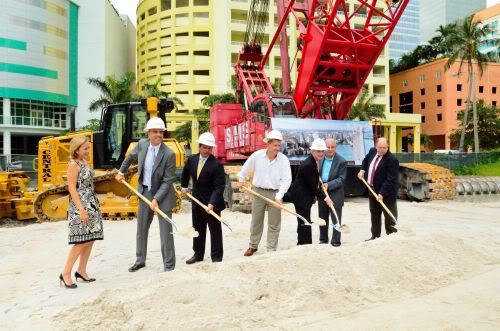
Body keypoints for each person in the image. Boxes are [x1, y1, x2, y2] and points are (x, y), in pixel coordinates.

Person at [115, 117, 177, 272]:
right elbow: (130, 157)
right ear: (148, 133)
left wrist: (156, 199)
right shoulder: (142, 145)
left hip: (163, 195)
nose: (158, 134)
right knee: (141, 229)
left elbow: (168, 181)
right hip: (145, 191)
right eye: (155, 131)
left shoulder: (169, 154)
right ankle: (140, 260)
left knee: (166, 233)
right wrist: (121, 172)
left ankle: (169, 266)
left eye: (161, 132)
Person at [237, 130, 292, 256]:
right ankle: (253, 245)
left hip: (275, 194)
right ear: (268, 144)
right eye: (275, 145)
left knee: (274, 223)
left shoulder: (284, 160)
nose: (277, 148)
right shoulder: (257, 156)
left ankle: (271, 249)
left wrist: (279, 196)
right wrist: (241, 180)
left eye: (279, 145)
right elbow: (245, 168)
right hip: (258, 192)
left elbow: (287, 179)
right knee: (256, 221)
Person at [60, 136, 103, 289]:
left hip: (91, 204)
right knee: (80, 241)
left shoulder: (85, 162)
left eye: (88, 148)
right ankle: (65, 273)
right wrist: (81, 209)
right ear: (76, 149)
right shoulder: (73, 164)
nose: (87, 150)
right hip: (81, 206)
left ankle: (81, 270)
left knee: (90, 239)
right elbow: (71, 188)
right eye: (85, 148)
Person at [181, 132, 226, 264]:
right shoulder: (192, 159)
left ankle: (217, 258)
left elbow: (219, 187)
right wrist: (184, 187)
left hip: (212, 204)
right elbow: (185, 173)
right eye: (205, 147)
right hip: (196, 202)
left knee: (215, 232)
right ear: (199, 147)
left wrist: (212, 203)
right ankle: (198, 254)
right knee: (198, 229)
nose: (207, 150)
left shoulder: (217, 165)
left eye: (209, 148)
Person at [289, 138, 332, 245]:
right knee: (304, 221)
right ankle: (305, 244)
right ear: (312, 151)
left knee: (304, 220)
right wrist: (327, 198)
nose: (321, 153)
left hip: (304, 196)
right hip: (301, 197)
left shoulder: (313, 161)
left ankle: (302, 242)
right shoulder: (308, 165)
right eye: (318, 151)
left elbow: (314, 180)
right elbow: (314, 188)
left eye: (322, 151)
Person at [358, 137, 399, 241]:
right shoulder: (372, 151)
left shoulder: (392, 160)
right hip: (372, 190)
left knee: (389, 217)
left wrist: (382, 193)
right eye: (379, 147)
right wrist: (362, 170)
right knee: (375, 214)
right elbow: (365, 160)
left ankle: (392, 237)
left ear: (388, 146)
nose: (381, 150)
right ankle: (375, 236)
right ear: (376, 146)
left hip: (387, 194)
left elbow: (390, 179)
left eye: (384, 148)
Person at [318, 138, 347, 246]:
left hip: (335, 193)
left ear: (336, 147)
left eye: (332, 147)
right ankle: (323, 239)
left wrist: (328, 185)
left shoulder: (342, 161)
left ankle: (335, 240)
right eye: (328, 147)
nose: (330, 149)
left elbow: (342, 179)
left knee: (336, 218)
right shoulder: (320, 159)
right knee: (322, 217)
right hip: (322, 193)